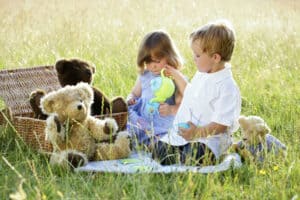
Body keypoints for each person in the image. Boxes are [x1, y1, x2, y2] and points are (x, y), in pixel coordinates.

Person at [152, 20, 241, 166]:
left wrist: (196, 133)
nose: (194, 58)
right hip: (187, 134)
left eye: (198, 55)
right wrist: (175, 74)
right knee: (158, 151)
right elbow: (190, 93)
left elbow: (221, 125)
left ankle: (184, 156)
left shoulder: (226, 87)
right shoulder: (203, 74)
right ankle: (178, 152)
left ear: (215, 58)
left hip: (209, 139)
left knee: (194, 155)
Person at [127, 30, 184, 149]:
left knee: (163, 139)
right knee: (128, 117)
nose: (153, 66)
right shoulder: (145, 75)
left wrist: (170, 109)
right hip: (142, 121)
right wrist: (131, 99)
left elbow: (182, 105)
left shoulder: (174, 77)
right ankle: (133, 139)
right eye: (148, 61)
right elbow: (134, 93)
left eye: (157, 61)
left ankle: (156, 144)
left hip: (162, 124)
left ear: (169, 56)